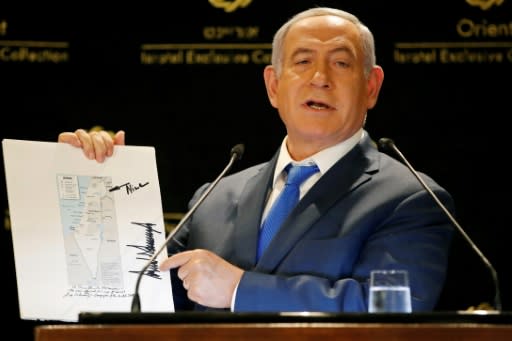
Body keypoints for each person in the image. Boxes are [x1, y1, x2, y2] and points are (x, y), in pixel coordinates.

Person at [58, 7, 454, 312]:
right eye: (302, 61)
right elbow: (138, 295)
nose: (320, 77)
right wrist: (98, 189)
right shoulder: (215, 195)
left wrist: (238, 289)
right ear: (273, 86)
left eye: (341, 62)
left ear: (371, 87)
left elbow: (389, 312)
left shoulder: (412, 199)